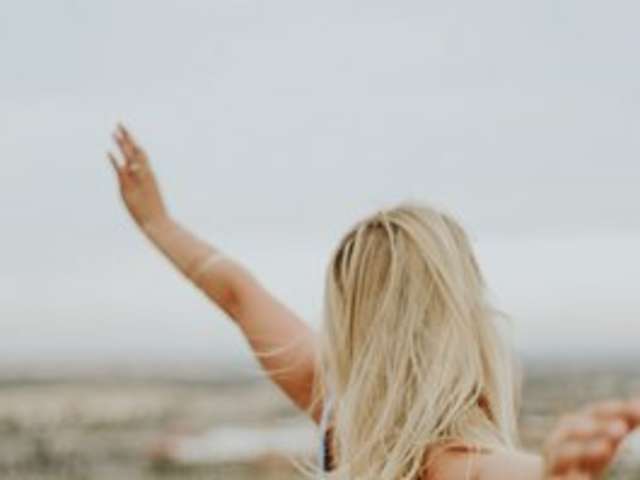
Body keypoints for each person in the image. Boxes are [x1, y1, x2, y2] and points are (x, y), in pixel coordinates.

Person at [107, 123, 640, 479]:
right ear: (465, 317)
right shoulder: (451, 461)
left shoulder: (337, 414)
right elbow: (499, 471)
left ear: (350, 321)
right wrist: (548, 471)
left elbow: (237, 294)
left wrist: (158, 223)